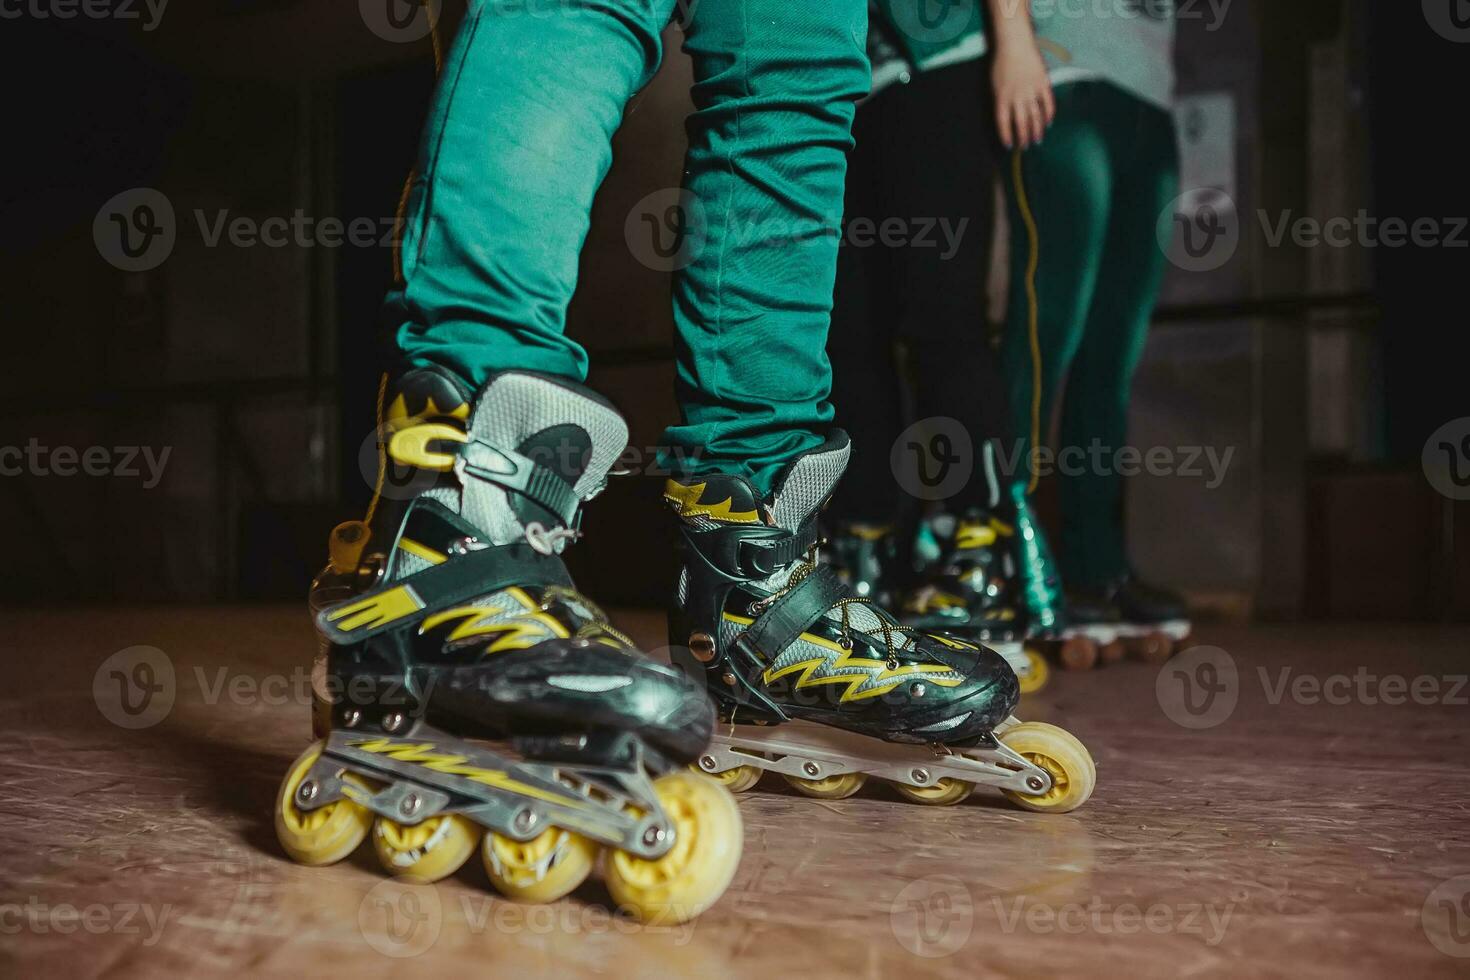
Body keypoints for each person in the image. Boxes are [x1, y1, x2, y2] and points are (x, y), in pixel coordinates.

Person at [997, 0, 1192, 656]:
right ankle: (1001, 558)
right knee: (1045, 334)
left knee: (1112, 353)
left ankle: (1096, 567)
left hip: (1148, 93)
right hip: (1060, 78)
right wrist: (1014, 40)